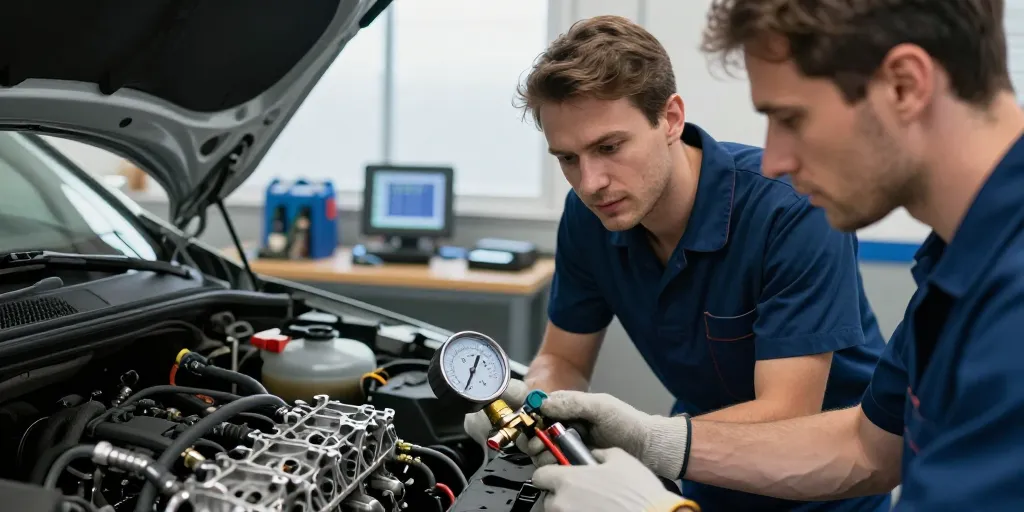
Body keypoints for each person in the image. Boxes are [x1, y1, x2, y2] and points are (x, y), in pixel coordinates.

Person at [527, 1, 1024, 511]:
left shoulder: (1011, 297)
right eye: (568, 158)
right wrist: (648, 441)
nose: (775, 160)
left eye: (790, 118)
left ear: (904, 86)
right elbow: (865, 447)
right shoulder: (955, 265)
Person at [463, 14, 892, 512]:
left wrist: (644, 438)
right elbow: (564, 358)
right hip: (698, 469)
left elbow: (787, 414)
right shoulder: (589, 218)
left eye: (609, 147)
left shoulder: (791, 210)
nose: (591, 182)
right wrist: (537, 407)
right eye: (568, 159)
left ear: (670, 119)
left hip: (821, 487)